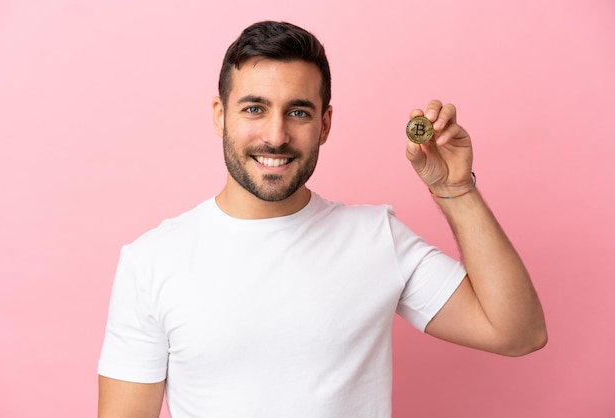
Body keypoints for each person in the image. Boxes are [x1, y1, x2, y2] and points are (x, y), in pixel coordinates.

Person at [98, 20, 547, 417]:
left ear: (325, 124)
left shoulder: (376, 238)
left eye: (298, 112)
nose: (276, 136)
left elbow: (518, 332)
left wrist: (455, 188)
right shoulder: (152, 261)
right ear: (220, 116)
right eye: (254, 108)